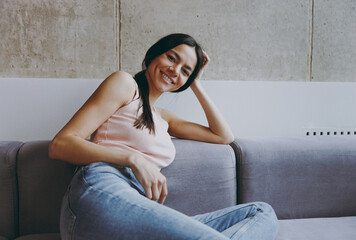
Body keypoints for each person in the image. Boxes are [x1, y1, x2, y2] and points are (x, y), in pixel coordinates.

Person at [49, 33, 278, 240]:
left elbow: (223, 136)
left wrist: (195, 82)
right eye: (172, 58)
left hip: (137, 205)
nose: (175, 71)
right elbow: (60, 145)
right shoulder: (125, 85)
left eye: (185, 71)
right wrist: (133, 159)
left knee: (261, 212)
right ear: (155, 55)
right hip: (101, 189)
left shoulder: (165, 119)